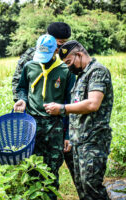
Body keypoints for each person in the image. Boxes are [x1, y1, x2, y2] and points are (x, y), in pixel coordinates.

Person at [44, 40, 114, 200]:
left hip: (93, 141)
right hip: (79, 142)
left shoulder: (97, 71)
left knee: (92, 187)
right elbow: (77, 107)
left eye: (69, 62)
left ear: (79, 55)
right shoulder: (81, 76)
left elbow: (92, 104)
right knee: (82, 187)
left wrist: (62, 108)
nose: (68, 67)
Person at [12, 21, 75, 183]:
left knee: (52, 171)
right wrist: (22, 100)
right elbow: (21, 87)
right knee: (31, 167)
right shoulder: (30, 64)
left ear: (56, 49)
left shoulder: (66, 70)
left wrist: (68, 134)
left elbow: (71, 103)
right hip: (32, 124)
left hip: (55, 126)